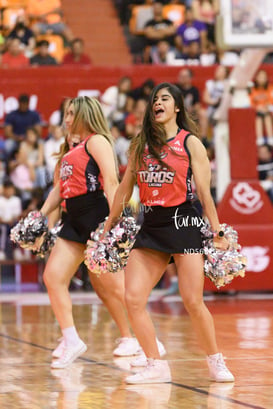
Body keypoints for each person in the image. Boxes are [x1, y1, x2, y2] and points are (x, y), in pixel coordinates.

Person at [104, 82, 235, 384]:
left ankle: (215, 360)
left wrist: (217, 230)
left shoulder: (190, 143)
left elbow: (204, 191)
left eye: (165, 99)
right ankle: (155, 364)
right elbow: (126, 187)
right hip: (151, 224)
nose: (158, 103)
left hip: (184, 222)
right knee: (133, 297)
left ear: (176, 107)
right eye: (155, 100)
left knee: (192, 300)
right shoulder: (141, 143)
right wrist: (109, 222)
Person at [38, 97, 164, 369]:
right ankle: (71, 339)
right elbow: (58, 190)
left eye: (71, 113)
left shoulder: (96, 142)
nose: (67, 118)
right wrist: (40, 214)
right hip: (74, 221)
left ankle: (149, 343)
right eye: (66, 113)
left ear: (85, 114)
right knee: (53, 277)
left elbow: (110, 180)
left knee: (118, 288)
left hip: (97, 217)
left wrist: (114, 223)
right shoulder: (69, 150)